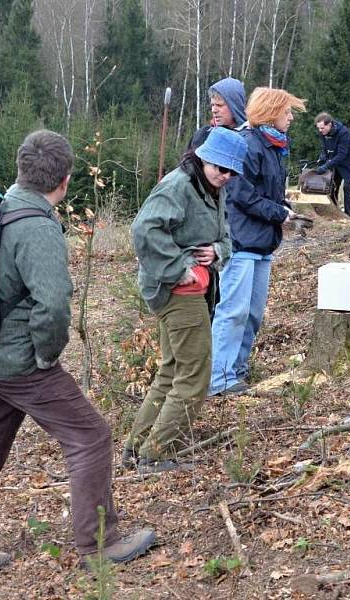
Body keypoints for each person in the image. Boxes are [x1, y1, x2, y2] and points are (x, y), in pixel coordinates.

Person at [0, 131, 155, 581]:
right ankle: (99, 545)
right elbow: (53, 303)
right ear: (63, 181)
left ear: (22, 170)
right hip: (20, 364)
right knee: (91, 437)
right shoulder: (37, 226)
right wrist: (46, 355)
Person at [125, 128, 247, 474]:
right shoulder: (178, 185)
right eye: (220, 168)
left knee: (173, 371)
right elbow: (143, 231)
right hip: (179, 293)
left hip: (196, 290)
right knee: (195, 376)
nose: (225, 176)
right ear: (203, 157)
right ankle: (156, 454)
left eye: (231, 172)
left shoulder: (211, 189)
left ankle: (137, 448)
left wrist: (218, 251)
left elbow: (225, 237)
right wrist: (180, 268)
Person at [209, 87, 306, 396]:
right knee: (233, 312)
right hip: (241, 243)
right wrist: (278, 213)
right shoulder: (248, 144)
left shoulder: (274, 146)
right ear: (270, 112)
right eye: (286, 111)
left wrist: (284, 207)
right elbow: (240, 193)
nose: (290, 117)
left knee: (252, 313)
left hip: (262, 244)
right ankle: (218, 378)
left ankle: (237, 370)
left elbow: (266, 193)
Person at [314, 112, 350, 216]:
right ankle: (334, 211)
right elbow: (325, 148)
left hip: (349, 163)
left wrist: (326, 166)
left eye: (322, 128)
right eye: (319, 128)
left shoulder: (343, 132)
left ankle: (348, 214)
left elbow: (341, 154)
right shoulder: (323, 134)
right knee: (333, 187)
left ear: (329, 124)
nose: (320, 131)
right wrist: (323, 157)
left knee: (347, 187)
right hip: (336, 163)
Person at [188, 77, 248, 149]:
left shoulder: (249, 140)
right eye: (212, 105)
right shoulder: (202, 136)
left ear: (235, 106)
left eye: (219, 105)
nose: (214, 110)